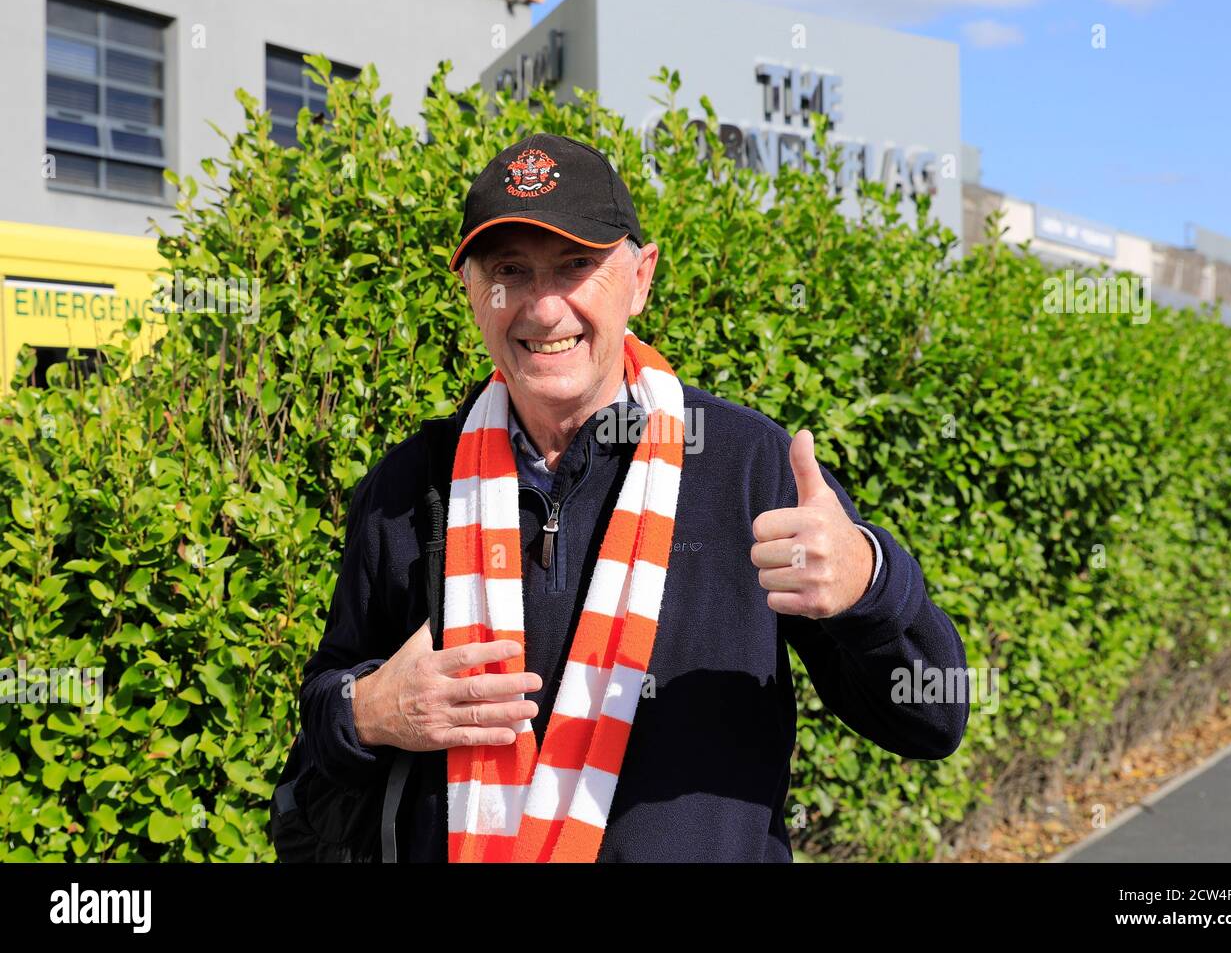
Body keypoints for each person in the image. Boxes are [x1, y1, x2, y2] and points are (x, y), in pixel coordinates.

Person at [298, 132, 969, 862]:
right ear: (471, 289)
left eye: (577, 266)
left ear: (641, 277)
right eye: (510, 270)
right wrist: (366, 710)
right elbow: (322, 718)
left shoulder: (747, 466)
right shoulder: (412, 485)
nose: (544, 309)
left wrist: (869, 586)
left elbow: (931, 718)